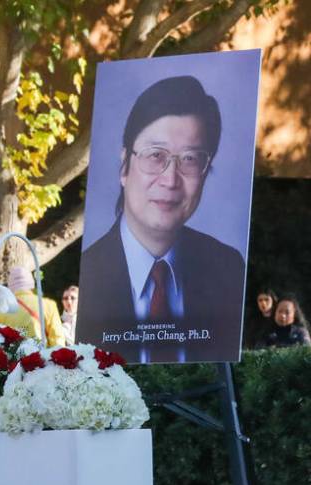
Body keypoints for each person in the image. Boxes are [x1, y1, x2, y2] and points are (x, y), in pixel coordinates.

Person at [76, 74, 245, 363]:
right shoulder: (88, 274)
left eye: (190, 159)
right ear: (125, 166)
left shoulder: (228, 269)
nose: (170, 180)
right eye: (155, 156)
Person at [0, 265, 66, 346]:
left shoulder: (0, 309)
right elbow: (57, 339)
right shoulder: (48, 305)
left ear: (10, 286)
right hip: (41, 356)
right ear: (31, 284)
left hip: (13, 357)